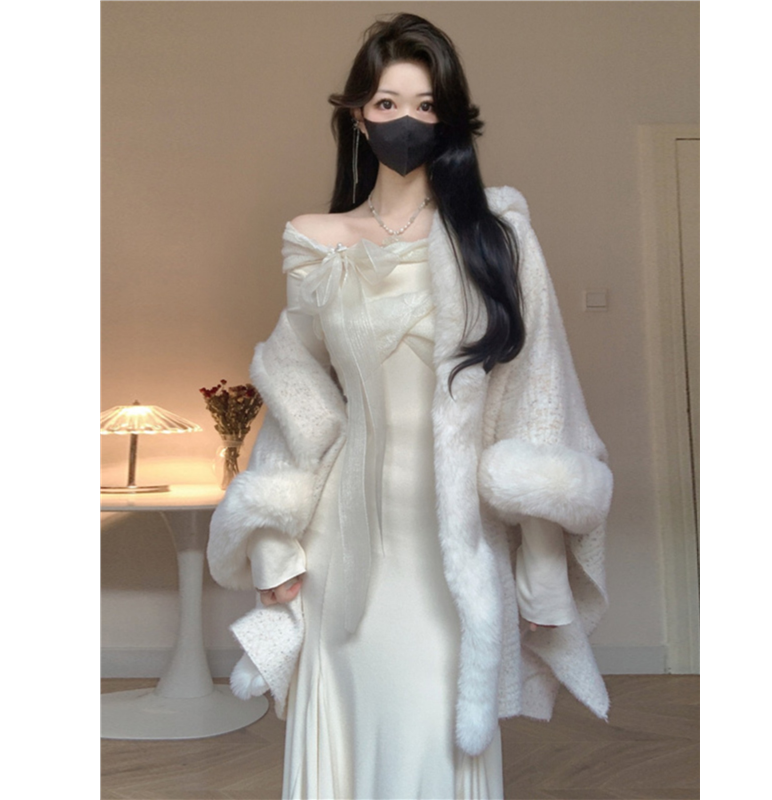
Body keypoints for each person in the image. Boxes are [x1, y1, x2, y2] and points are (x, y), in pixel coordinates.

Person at [208, 12, 612, 800]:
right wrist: (273, 546)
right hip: (341, 544)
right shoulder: (315, 240)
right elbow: (296, 397)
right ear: (358, 116)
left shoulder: (495, 236)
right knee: (347, 728)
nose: (405, 122)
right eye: (387, 103)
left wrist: (541, 571)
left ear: (451, 119)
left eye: (426, 106)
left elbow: (538, 406)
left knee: (439, 732)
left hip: (452, 544)